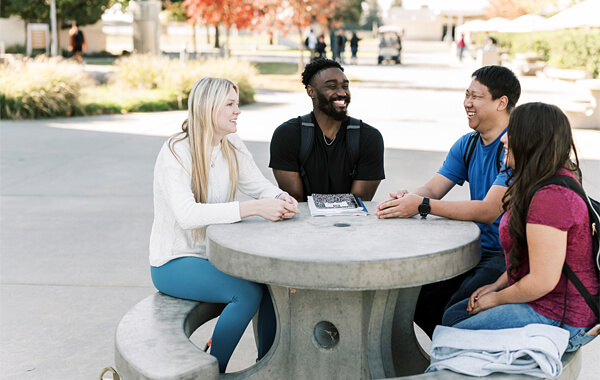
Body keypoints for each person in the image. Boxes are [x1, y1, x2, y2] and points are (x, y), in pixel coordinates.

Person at [149, 77, 300, 373]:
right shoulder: (177, 151)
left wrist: (281, 197)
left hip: (214, 257)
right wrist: (254, 208)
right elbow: (187, 215)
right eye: (230, 104)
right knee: (246, 293)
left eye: (237, 103)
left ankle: (266, 368)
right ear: (208, 108)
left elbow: (257, 185)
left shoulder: (230, 144)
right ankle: (213, 370)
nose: (238, 110)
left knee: (270, 283)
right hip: (174, 261)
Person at [376, 65, 522, 338]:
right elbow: (434, 187)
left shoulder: (516, 148)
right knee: (413, 298)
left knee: (455, 313)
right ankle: (450, 353)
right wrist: (408, 198)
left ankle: (459, 354)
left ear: (502, 102)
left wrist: (422, 205)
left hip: (507, 256)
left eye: (476, 96)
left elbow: (489, 210)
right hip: (474, 251)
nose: (467, 103)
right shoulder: (467, 144)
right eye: (466, 95)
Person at [443, 102, 599, 352]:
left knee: (454, 327)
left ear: (530, 139)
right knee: (455, 311)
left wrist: (495, 299)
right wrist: (497, 285)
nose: (504, 138)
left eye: (512, 131)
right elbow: (529, 258)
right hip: (545, 301)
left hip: (563, 317)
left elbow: (542, 280)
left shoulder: (551, 197)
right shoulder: (539, 179)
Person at [269, 59, 385, 202]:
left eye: (345, 86)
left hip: (351, 224)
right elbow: (295, 201)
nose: (342, 93)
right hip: (302, 223)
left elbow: (358, 201)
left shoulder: (368, 137)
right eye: (332, 86)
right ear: (311, 91)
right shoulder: (288, 135)